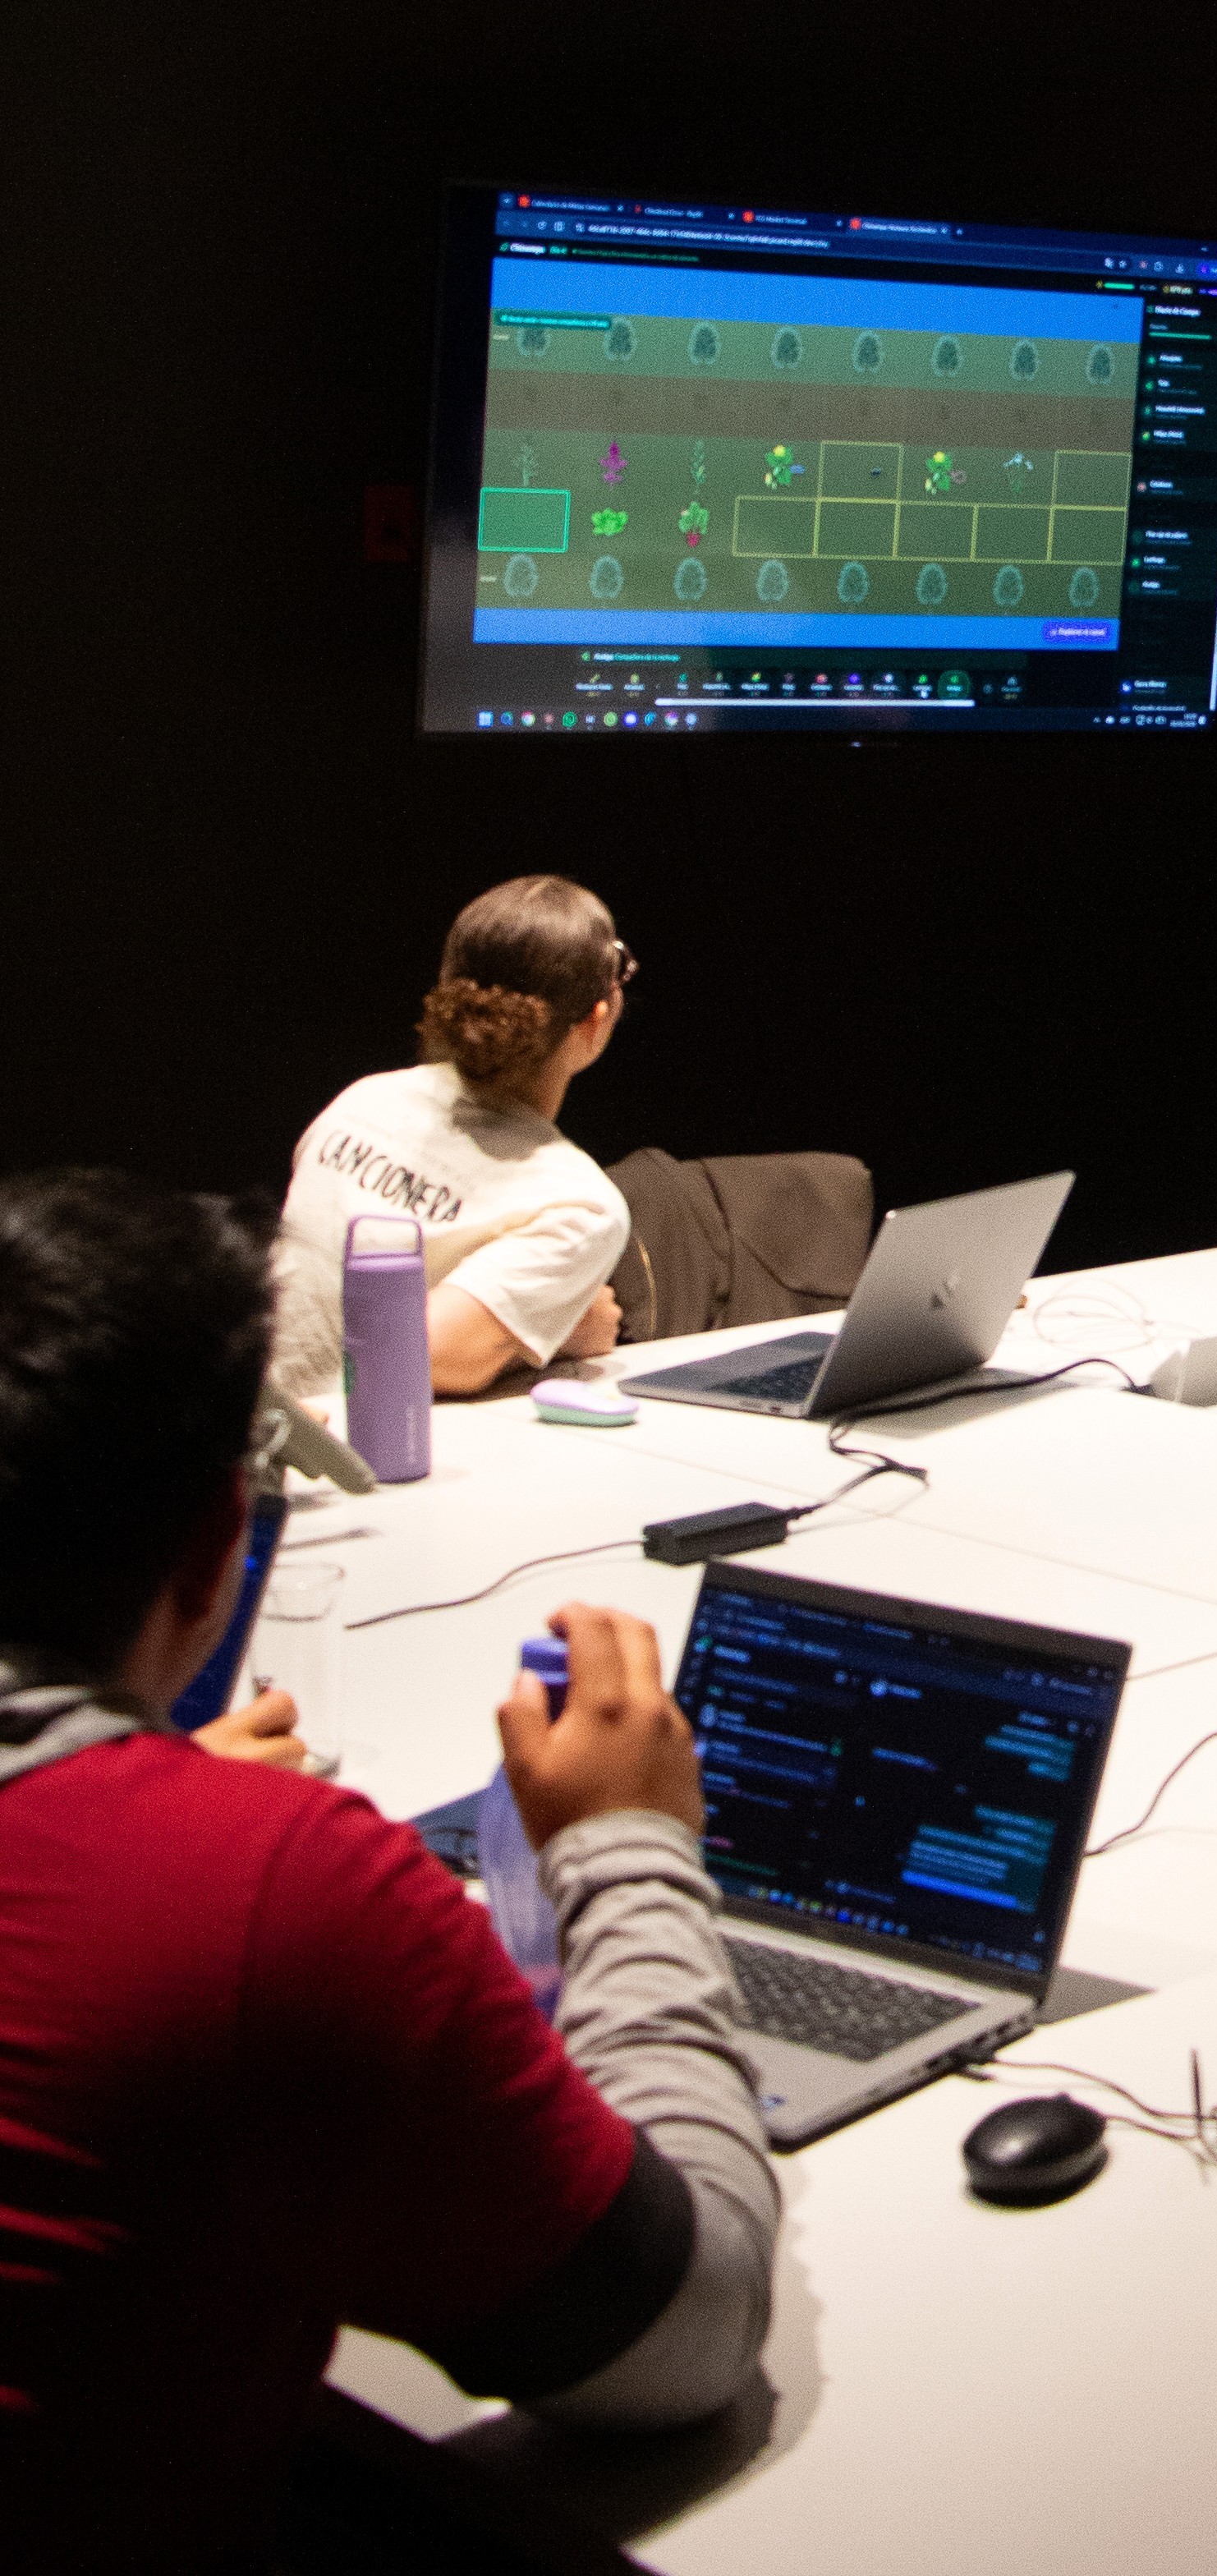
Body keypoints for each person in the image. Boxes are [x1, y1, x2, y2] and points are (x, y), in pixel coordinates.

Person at [0, 1171, 778, 2573]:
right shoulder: (262, 1898)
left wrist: (131, 1812)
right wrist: (629, 1845)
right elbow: (687, 2336)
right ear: (217, 1546)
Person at [271, 876, 636, 1400]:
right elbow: (423, 1355)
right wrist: (560, 1329)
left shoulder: (363, 1100)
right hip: (368, 1458)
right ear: (594, 1022)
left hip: (261, 1433)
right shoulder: (580, 1203)